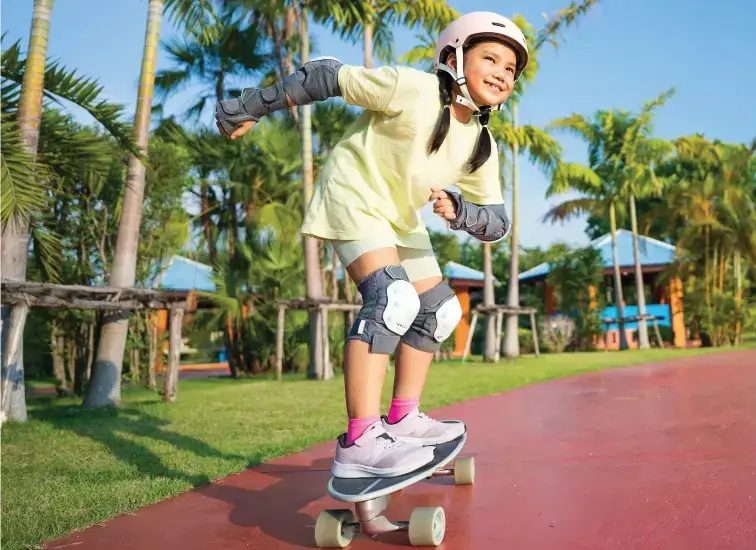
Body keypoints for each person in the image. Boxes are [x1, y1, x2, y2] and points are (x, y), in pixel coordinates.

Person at [213, 12, 527, 479]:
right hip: (354, 197)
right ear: (453, 57)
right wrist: (252, 106)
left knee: (440, 311)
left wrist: (463, 213)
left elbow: (498, 222)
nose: (503, 73)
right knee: (393, 300)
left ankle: (403, 418)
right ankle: (361, 439)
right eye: (491, 59)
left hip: (398, 219)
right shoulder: (413, 88)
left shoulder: (481, 142)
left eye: (511, 69)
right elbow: (326, 76)